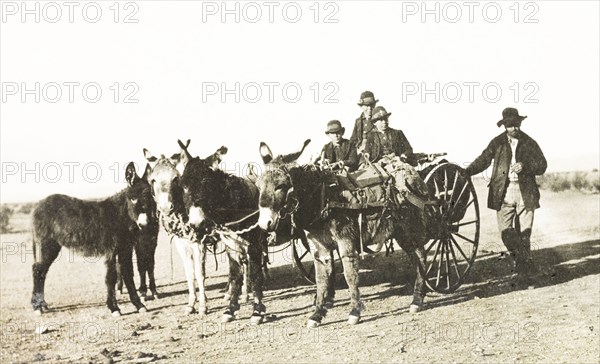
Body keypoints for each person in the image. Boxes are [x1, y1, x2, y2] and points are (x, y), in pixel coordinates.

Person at [464, 107, 547, 287]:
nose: (513, 128)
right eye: (510, 125)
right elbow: (483, 160)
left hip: (526, 192)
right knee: (506, 233)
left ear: (520, 123)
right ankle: (527, 265)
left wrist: (525, 166)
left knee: (525, 235)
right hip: (503, 192)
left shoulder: (529, 142)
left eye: (516, 124)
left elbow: (542, 165)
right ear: (504, 126)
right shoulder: (497, 143)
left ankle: (524, 276)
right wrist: (466, 172)